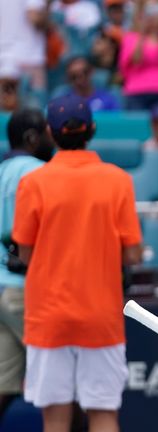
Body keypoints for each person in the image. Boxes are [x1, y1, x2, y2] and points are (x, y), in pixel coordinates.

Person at [12, 95, 143, 432]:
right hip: (101, 318)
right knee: (103, 414)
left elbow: (24, 253)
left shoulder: (34, 182)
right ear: (93, 130)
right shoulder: (118, 180)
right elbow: (132, 254)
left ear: (51, 133)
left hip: (48, 317)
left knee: (55, 418)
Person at [0, 108, 54, 423]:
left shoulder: (2, 169)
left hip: (1, 289)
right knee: (62, 385)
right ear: (33, 137)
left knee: (4, 385)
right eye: (47, 133)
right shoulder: (39, 172)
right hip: (26, 292)